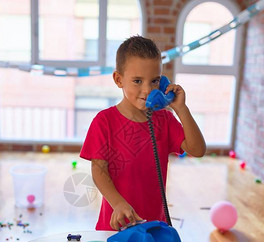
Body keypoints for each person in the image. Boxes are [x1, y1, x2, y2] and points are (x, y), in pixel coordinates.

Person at [80, 35, 206, 231]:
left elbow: (197, 150)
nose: (147, 90)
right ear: (118, 79)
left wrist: (181, 109)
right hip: (116, 224)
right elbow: (98, 170)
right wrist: (118, 203)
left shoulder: (164, 120)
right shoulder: (104, 122)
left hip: (155, 224)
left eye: (154, 81)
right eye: (137, 81)